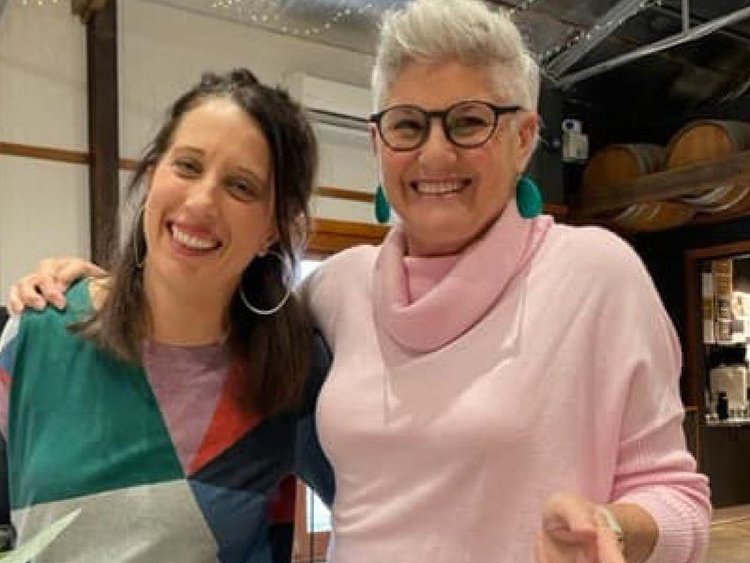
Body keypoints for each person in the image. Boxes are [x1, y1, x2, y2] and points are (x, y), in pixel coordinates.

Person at [8, 1, 711, 562]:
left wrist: (612, 527)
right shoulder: (337, 291)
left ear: (525, 137)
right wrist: (93, 286)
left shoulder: (595, 274)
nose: (435, 153)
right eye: (407, 125)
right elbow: (203, 302)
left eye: (469, 122)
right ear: (378, 142)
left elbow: (679, 497)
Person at [0, 68, 333, 562]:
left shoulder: (292, 370)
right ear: (153, 175)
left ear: (275, 228)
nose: (201, 201)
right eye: (188, 166)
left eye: (241, 186)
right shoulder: (38, 333)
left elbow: (385, 510)